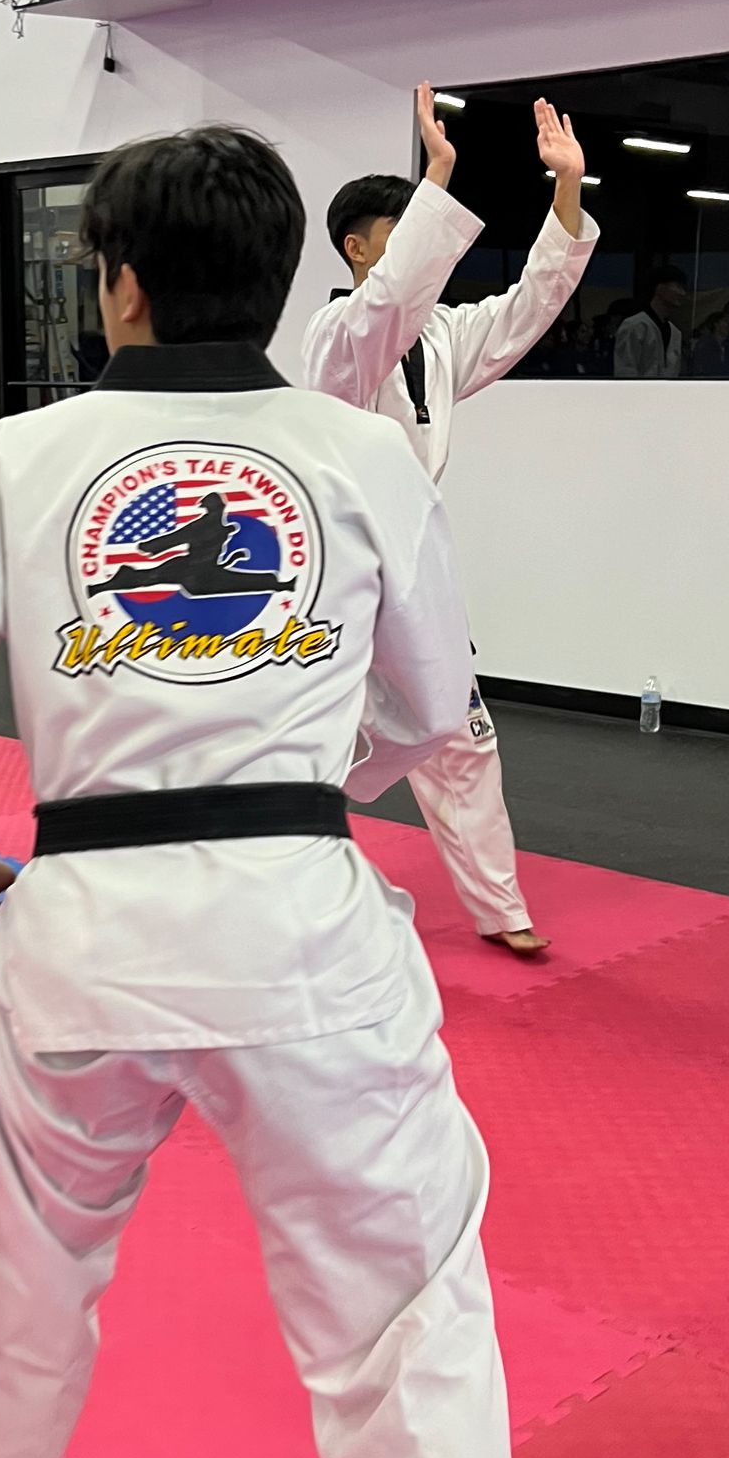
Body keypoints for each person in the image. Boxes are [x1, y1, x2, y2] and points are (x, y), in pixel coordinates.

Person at [0, 124, 626, 1458]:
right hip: (302, 932)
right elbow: (436, 716)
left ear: (116, 283)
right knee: (404, 1312)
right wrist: (289, 758)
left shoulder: (20, 458)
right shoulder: (360, 452)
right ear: (282, 275)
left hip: (78, 933)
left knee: (38, 1246)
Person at [301, 88, 596, 959]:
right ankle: (281, 877)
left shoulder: (443, 338)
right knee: (310, 741)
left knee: (458, 734)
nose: (428, 256)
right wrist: (436, 178)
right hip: (339, 569)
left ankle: (501, 906)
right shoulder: (340, 335)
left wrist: (566, 192)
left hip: (417, 566)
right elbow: (388, 303)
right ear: (359, 249)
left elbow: (530, 305)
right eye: (405, 231)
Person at [613, 267, 687, 377]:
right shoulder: (634, 326)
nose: (682, 293)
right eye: (678, 287)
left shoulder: (675, 333)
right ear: (660, 288)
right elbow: (625, 370)